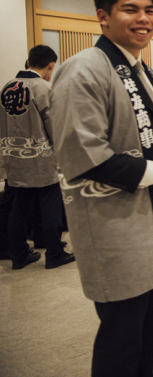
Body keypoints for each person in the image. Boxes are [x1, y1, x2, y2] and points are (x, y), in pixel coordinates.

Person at [49, 0, 153, 376]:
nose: (143, 19)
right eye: (130, 9)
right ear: (103, 16)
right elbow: (80, 153)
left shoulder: (142, 70)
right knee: (122, 338)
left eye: (149, 10)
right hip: (117, 226)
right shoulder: (83, 69)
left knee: (150, 330)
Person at [1, 45, 74, 270]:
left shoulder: (6, 87)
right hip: (41, 157)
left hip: (13, 155)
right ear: (51, 65)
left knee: (19, 206)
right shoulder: (43, 88)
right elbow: (54, 125)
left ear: (29, 61)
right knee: (50, 205)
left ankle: (18, 255)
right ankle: (54, 253)